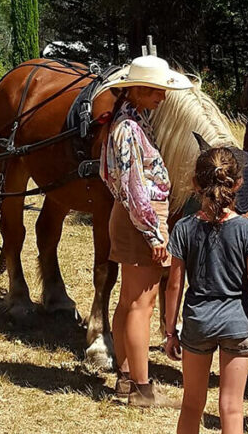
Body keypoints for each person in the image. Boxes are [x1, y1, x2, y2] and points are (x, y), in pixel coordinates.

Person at [99, 53, 193, 408]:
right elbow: (134, 186)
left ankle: (127, 378)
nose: (162, 97)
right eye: (155, 91)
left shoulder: (129, 123)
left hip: (133, 218)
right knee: (142, 303)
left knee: (129, 302)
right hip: (141, 219)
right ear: (136, 90)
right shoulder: (129, 129)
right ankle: (141, 387)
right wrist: (155, 233)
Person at [164, 146, 248, 434]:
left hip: (198, 323)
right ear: (238, 183)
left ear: (195, 184)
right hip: (237, 325)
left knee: (191, 404)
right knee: (232, 407)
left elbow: (174, 284)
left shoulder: (183, 229)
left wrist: (169, 330)